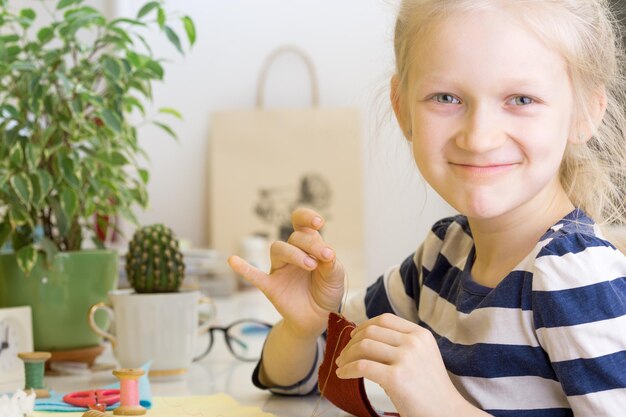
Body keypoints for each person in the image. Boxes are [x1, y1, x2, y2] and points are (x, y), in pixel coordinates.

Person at [228, 0, 626, 415]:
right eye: (446, 97)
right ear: (402, 109)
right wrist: (305, 326)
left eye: (521, 99)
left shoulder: (574, 276)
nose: (479, 137)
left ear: (584, 114)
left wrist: (442, 405)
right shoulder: (444, 253)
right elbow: (304, 378)